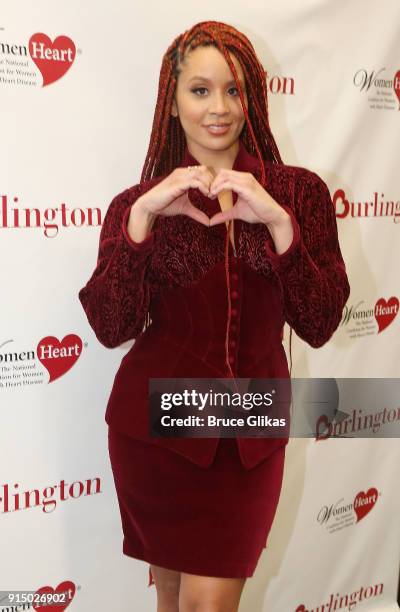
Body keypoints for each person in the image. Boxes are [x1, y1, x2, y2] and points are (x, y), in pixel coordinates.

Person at [78, 20, 350, 612]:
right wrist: (141, 222)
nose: (218, 108)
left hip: (250, 436)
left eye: (233, 89)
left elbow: (321, 321)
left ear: (251, 95)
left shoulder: (299, 195)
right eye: (200, 91)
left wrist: (280, 226)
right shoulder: (137, 203)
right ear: (171, 104)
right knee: (173, 601)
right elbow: (109, 325)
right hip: (156, 436)